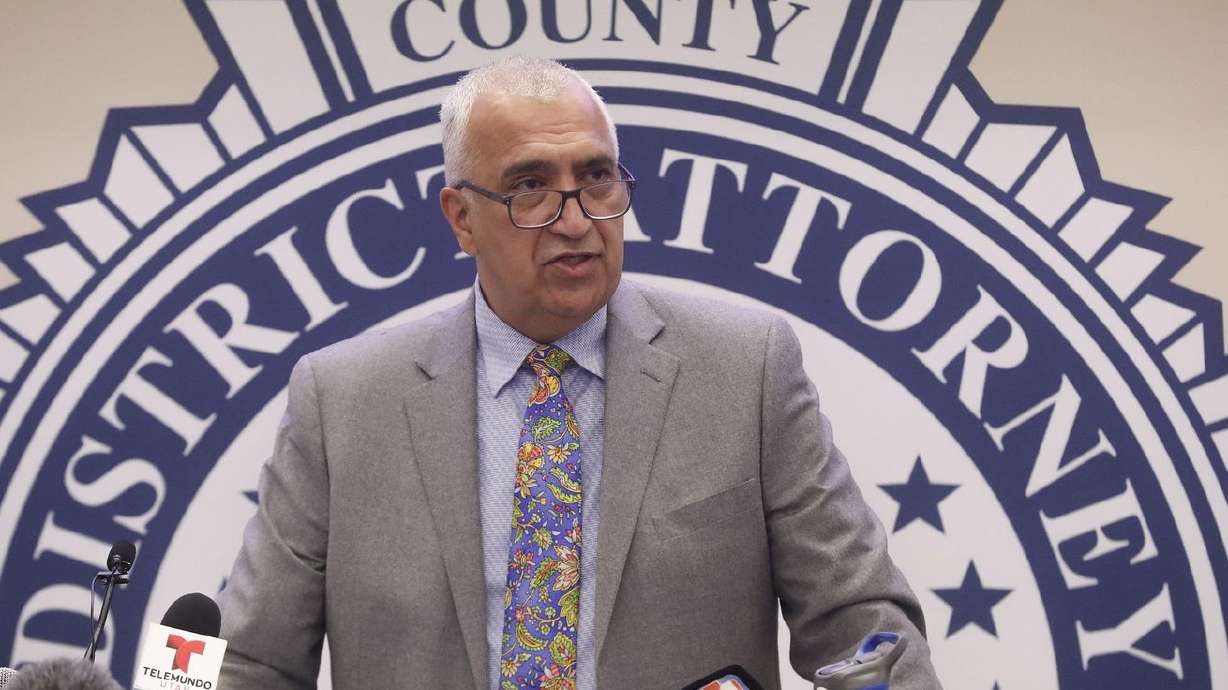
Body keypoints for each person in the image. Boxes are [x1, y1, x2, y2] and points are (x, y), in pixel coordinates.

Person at [218, 56, 941, 689]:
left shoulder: (746, 369)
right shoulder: (341, 402)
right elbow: (244, 660)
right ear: (461, 218)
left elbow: (863, 622)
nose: (576, 218)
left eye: (596, 178)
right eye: (530, 186)